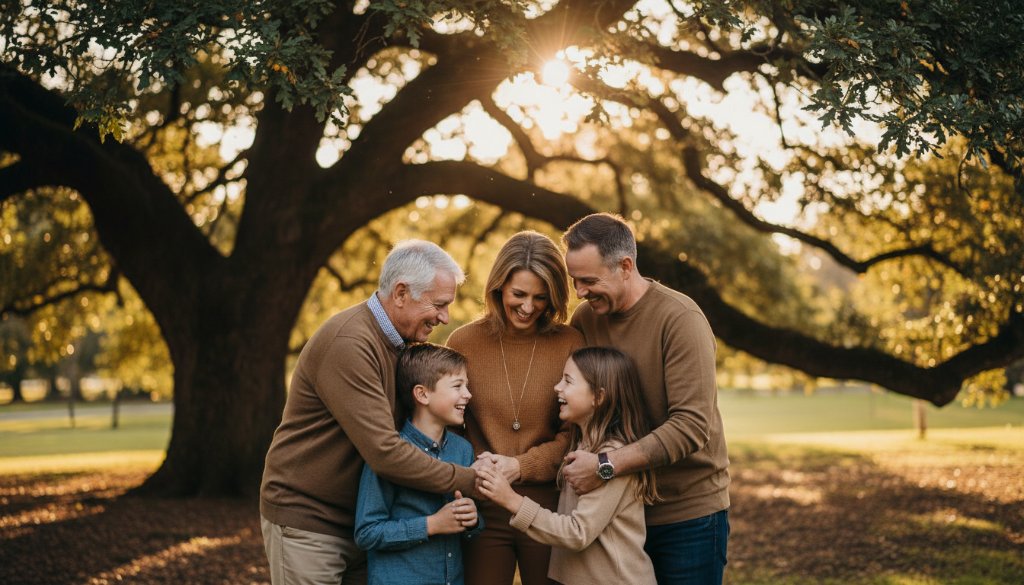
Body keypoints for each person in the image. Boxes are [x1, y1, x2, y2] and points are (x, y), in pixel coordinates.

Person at [260, 240, 478, 585]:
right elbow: (385, 452)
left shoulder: (400, 346)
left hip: (364, 524)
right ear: (402, 293)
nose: (444, 317)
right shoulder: (351, 343)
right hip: (310, 521)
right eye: (439, 305)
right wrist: (471, 478)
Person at [559, 213, 731, 585]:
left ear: (625, 266)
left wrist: (605, 465)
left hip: (686, 515)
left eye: (589, 280)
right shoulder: (585, 320)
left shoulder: (680, 318)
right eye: (575, 281)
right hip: (615, 515)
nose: (580, 293)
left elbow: (690, 427)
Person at [446, 231, 583, 585]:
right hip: (482, 508)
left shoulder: (570, 342)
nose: (528, 307)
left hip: (548, 509)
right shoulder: (463, 342)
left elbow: (576, 434)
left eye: (541, 297)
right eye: (518, 294)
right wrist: (483, 465)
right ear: (498, 287)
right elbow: (448, 426)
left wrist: (520, 466)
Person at [477, 346, 658, 585]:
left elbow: (577, 532)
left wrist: (509, 499)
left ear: (598, 397)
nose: (557, 387)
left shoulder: (610, 455)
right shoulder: (581, 444)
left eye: (568, 381)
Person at [355, 343, 482, 585]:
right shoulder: (390, 453)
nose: (468, 394)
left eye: (466, 385)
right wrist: (431, 525)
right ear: (422, 394)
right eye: (458, 386)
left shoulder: (462, 449)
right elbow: (367, 533)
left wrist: (473, 519)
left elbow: (469, 523)